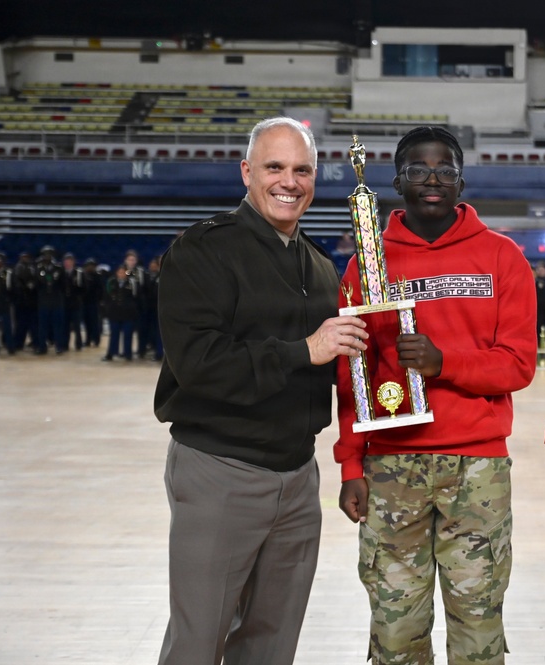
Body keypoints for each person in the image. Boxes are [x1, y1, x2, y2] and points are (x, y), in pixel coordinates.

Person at [153, 116, 368, 665]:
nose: (288, 182)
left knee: (272, 645)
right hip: (220, 469)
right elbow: (199, 364)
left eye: (302, 170)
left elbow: (342, 375)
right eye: (274, 167)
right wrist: (305, 350)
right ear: (247, 172)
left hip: (298, 479)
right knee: (198, 642)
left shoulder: (320, 267)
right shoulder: (202, 251)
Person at [334, 126, 537, 665]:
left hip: (476, 469)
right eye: (418, 170)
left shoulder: (502, 257)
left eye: (445, 170)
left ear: (461, 180)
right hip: (390, 469)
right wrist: (350, 464)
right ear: (397, 182)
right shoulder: (368, 264)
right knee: (396, 631)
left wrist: (444, 363)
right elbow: (352, 375)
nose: (432, 180)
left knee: (477, 626)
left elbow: (518, 365)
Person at [102, 264, 139, 361]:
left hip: (128, 313)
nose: (121, 274)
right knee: (114, 334)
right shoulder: (111, 282)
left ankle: (128, 354)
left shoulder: (132, 283)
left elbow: (136, 297)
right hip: (114, 312)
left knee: (127, 334)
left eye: (123, 272)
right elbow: (107, 296)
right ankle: (111, 353)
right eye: (119, 272)